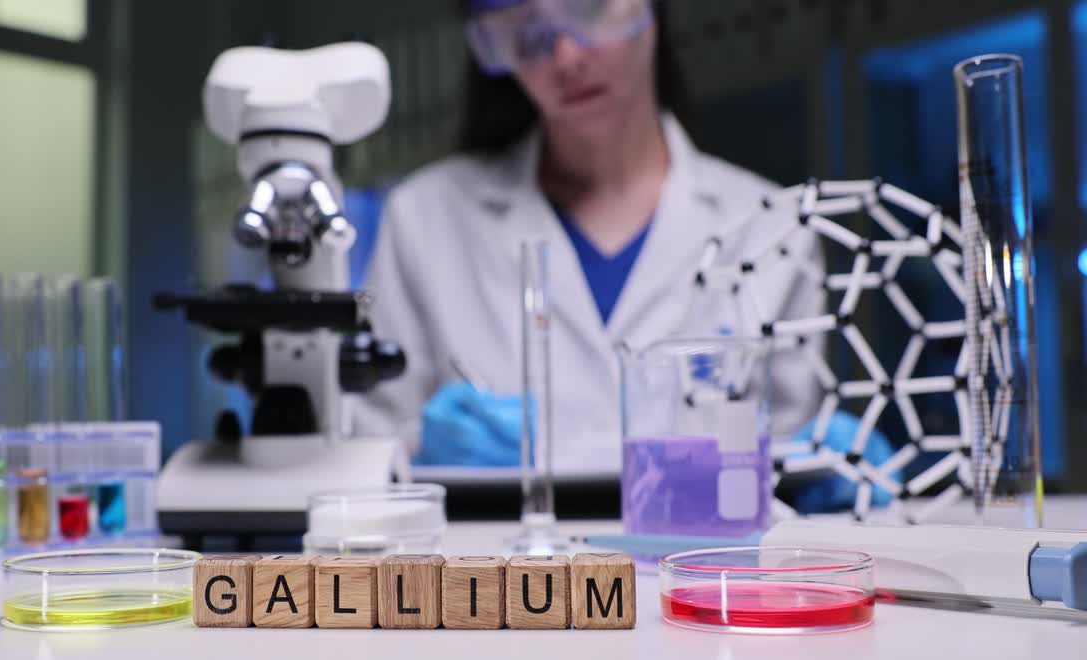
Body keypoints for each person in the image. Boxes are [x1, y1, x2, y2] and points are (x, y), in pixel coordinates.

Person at [353, 0, 825, 477]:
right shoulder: (425, 217)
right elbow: (364, 452)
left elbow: (794, 461)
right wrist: (416, 447)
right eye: (528, 34)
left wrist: (825, 474)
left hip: (698, 552)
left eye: (589, 14)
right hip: (495, 552)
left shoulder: (771, 228)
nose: (567, 59)